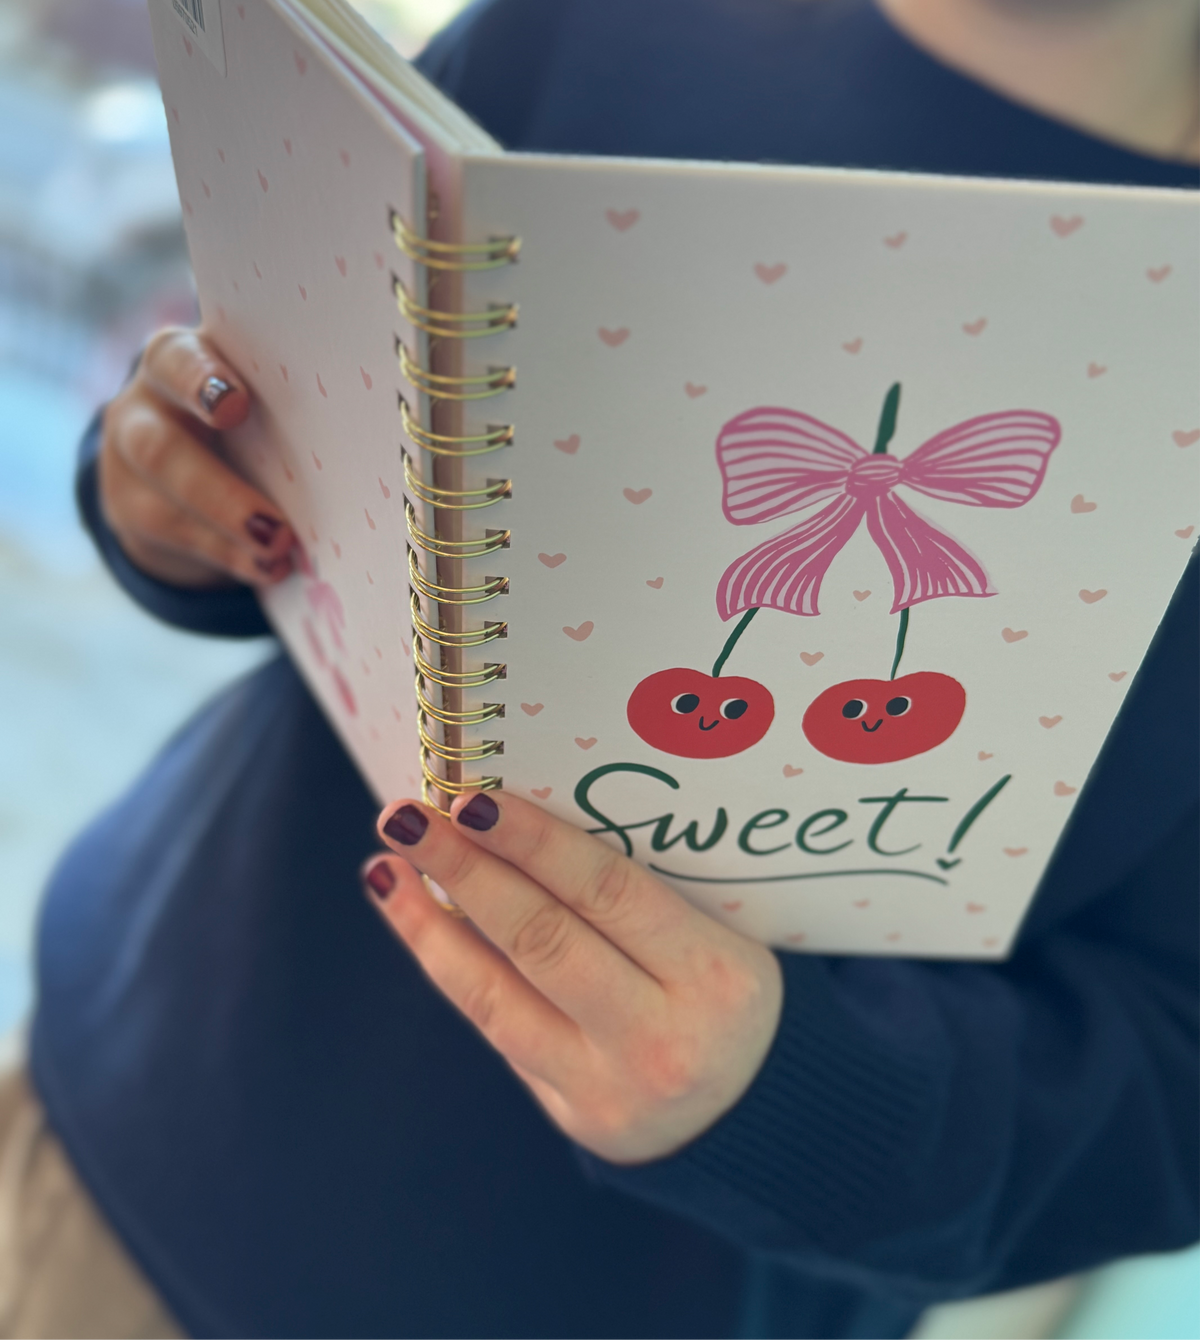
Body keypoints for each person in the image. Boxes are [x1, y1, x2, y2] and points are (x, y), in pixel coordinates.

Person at [7, 0, 1200, 1337]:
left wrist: (786, 1094)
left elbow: (1170, 1082)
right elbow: (297, 450)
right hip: (153, 1086)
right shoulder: (592, 25)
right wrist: (173, 496)